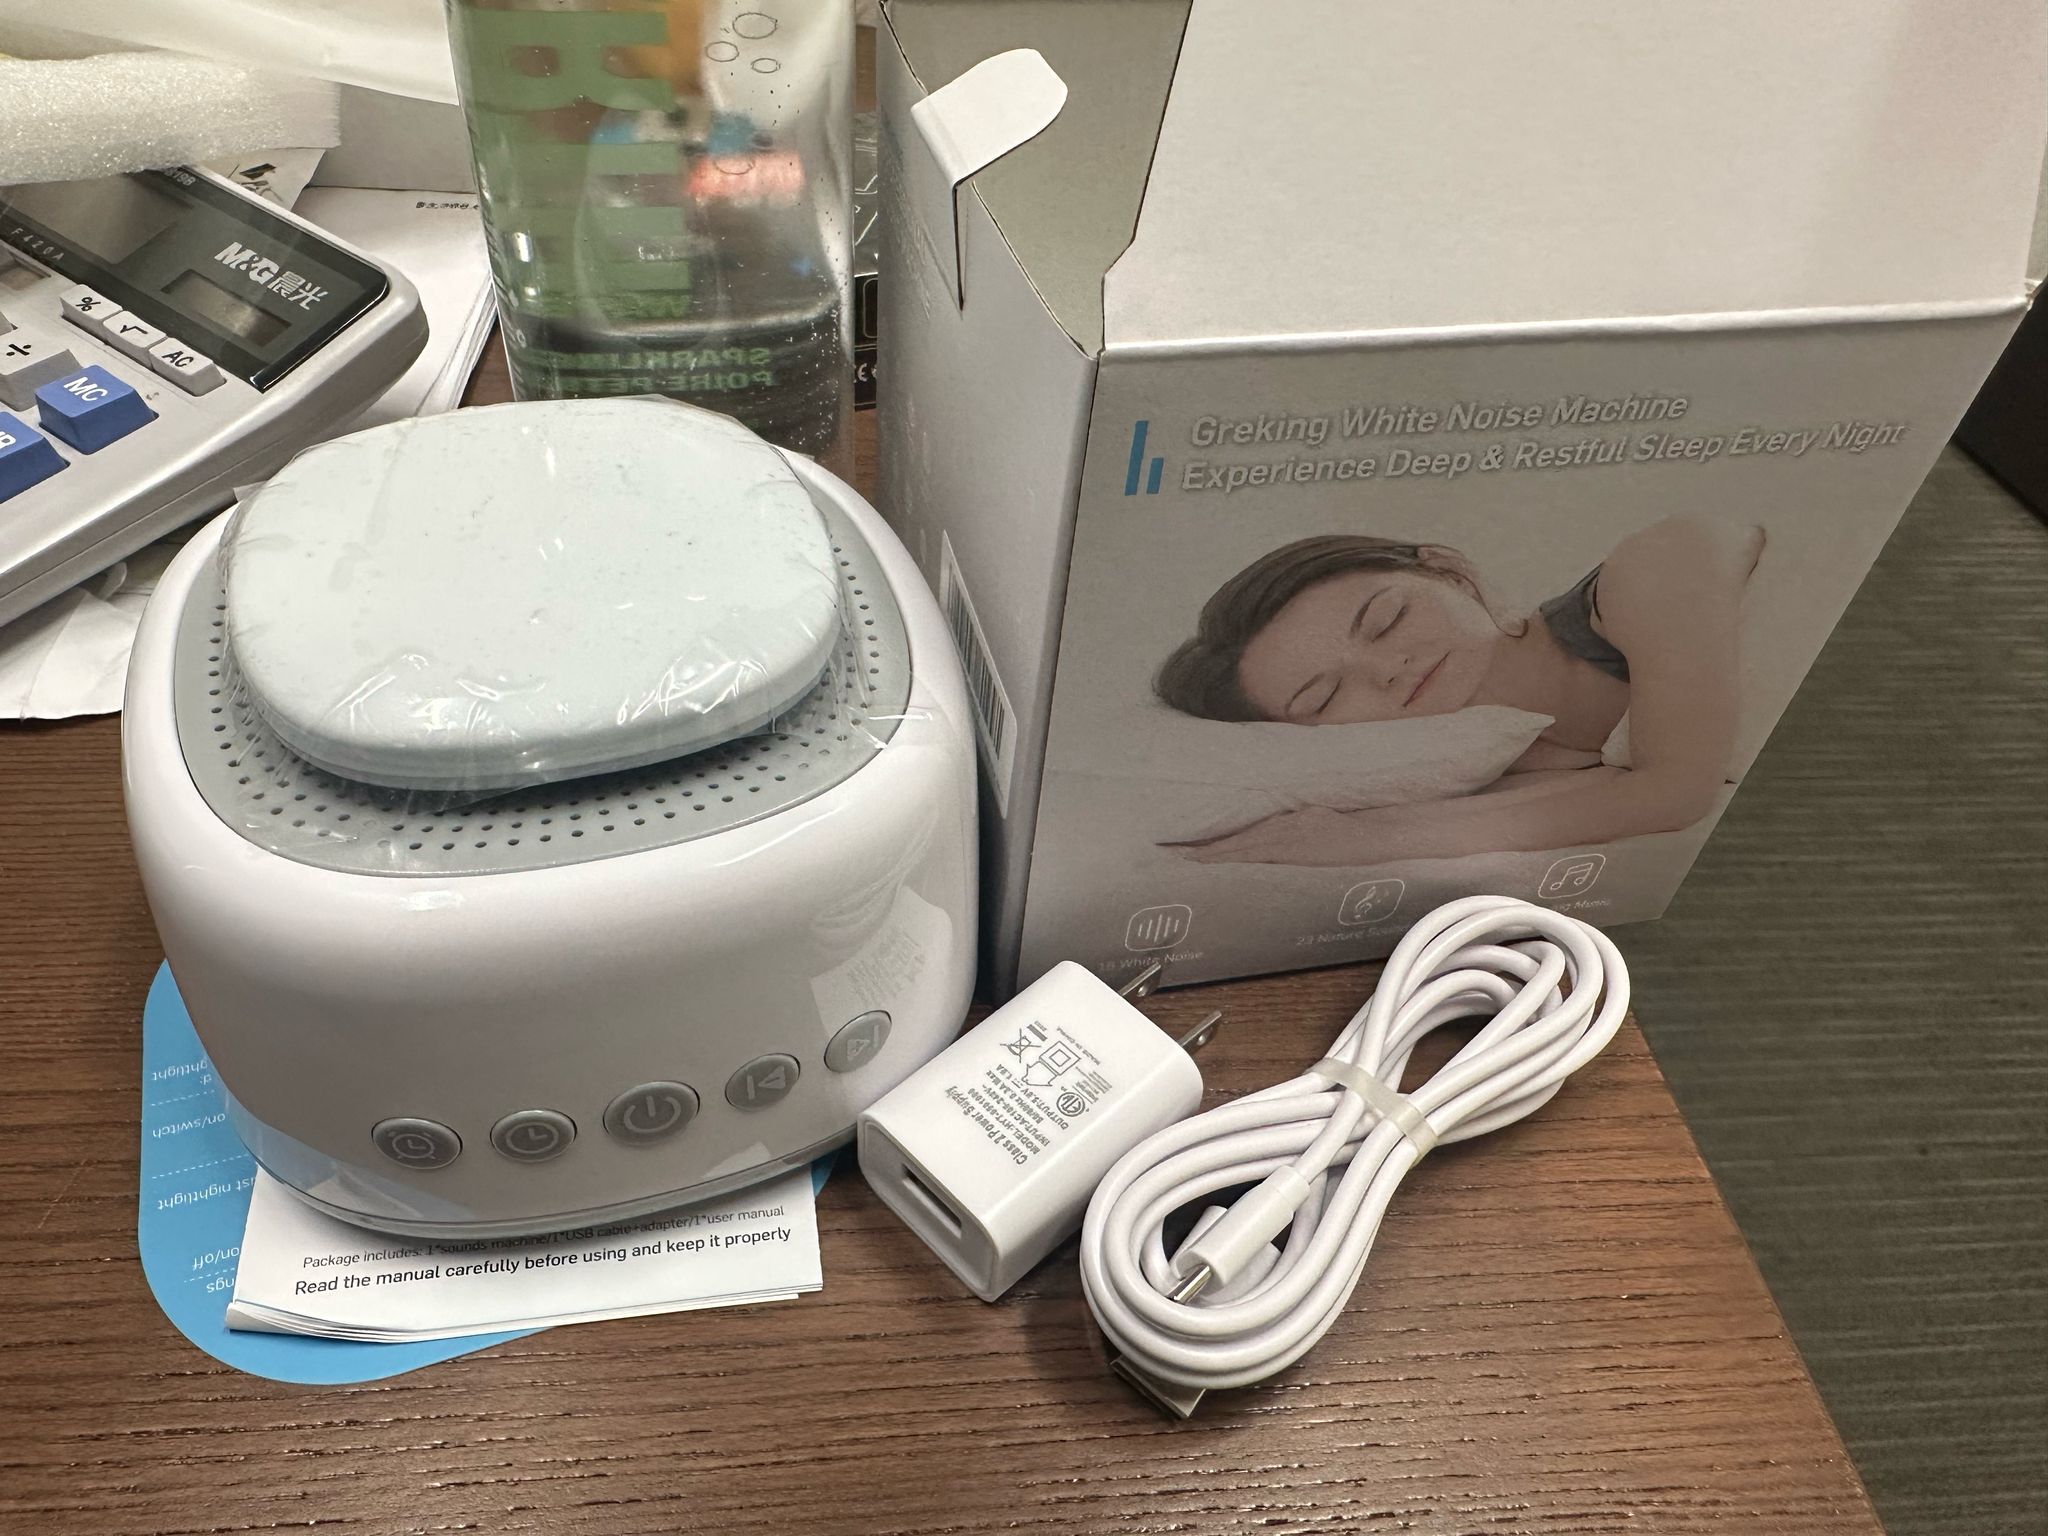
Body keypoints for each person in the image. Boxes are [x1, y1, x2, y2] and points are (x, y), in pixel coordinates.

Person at [1154, 516, 1763, 866]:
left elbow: (1676, 792)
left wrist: (1360, 841)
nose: (1387, 669)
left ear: (1450, 571)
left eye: (1386, 619)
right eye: (1324, 698)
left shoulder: (1660, 561)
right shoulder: (1522, 767)